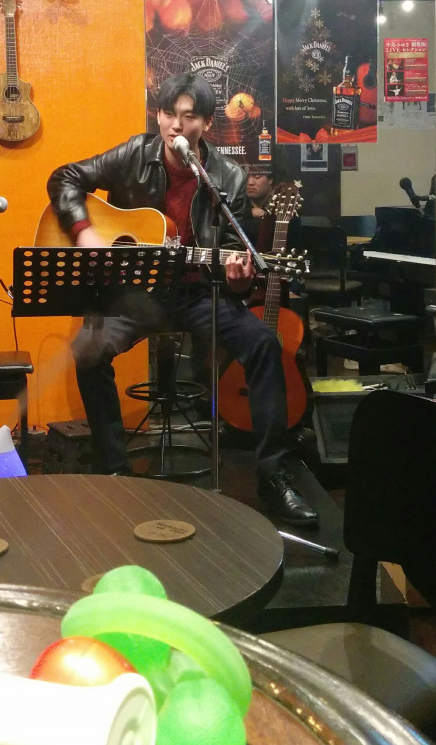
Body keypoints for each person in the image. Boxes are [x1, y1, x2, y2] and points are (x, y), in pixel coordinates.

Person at [47, 71, 318, 525]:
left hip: (197, 293)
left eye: (189, 116)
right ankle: (114, 471)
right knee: (89, 351)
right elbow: (65, 177)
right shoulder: (135, 154)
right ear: (158, 115)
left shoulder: (228, 177)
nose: (175, 124)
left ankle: (274, 475)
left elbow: (234, 265)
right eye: (168, 113)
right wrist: (85, 232)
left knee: (265, 344)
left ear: (207, 124)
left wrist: (237, 280)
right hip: (133, 294)